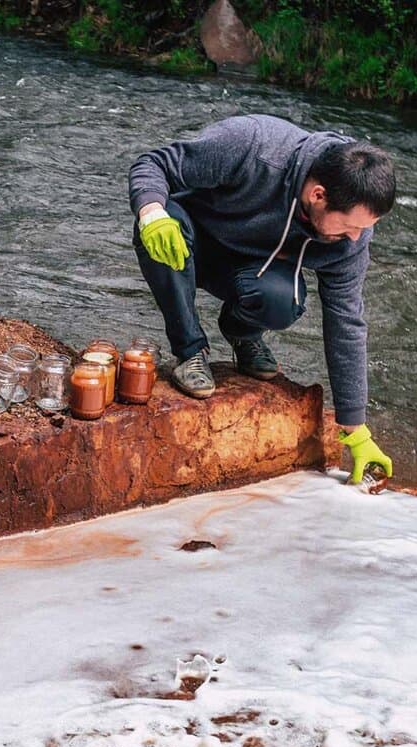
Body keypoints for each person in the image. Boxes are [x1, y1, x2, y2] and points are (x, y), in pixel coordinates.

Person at [128, 113, 394, 484]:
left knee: (284, 298)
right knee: (160, 226)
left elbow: (346, 321)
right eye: (351, 226)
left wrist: (356, 428)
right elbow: (154, 163)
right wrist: (151, 211)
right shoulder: (252, 144)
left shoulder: (352, 238)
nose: (355, 238)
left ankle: (243, 334)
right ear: (318, 195)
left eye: (365, 229)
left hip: (248, 271)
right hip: (187, 242)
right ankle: (189, 351)